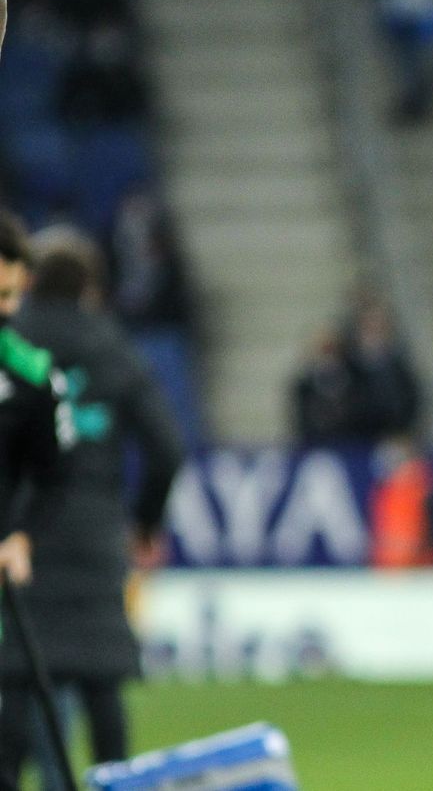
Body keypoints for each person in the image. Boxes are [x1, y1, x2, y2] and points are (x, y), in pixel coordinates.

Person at [0, 231, 185, 790]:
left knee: (19, 679)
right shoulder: (114, 347)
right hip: (97, 533)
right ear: (94, 291)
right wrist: (146, 523)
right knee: (102, 681)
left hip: (22, 532)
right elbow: (166, 450)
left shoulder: (18, 344)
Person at [0, 214, 77, 791]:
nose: (2, 308)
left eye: (8, 294)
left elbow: (53, 476)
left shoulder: (30, 374)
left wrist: (21, 534)